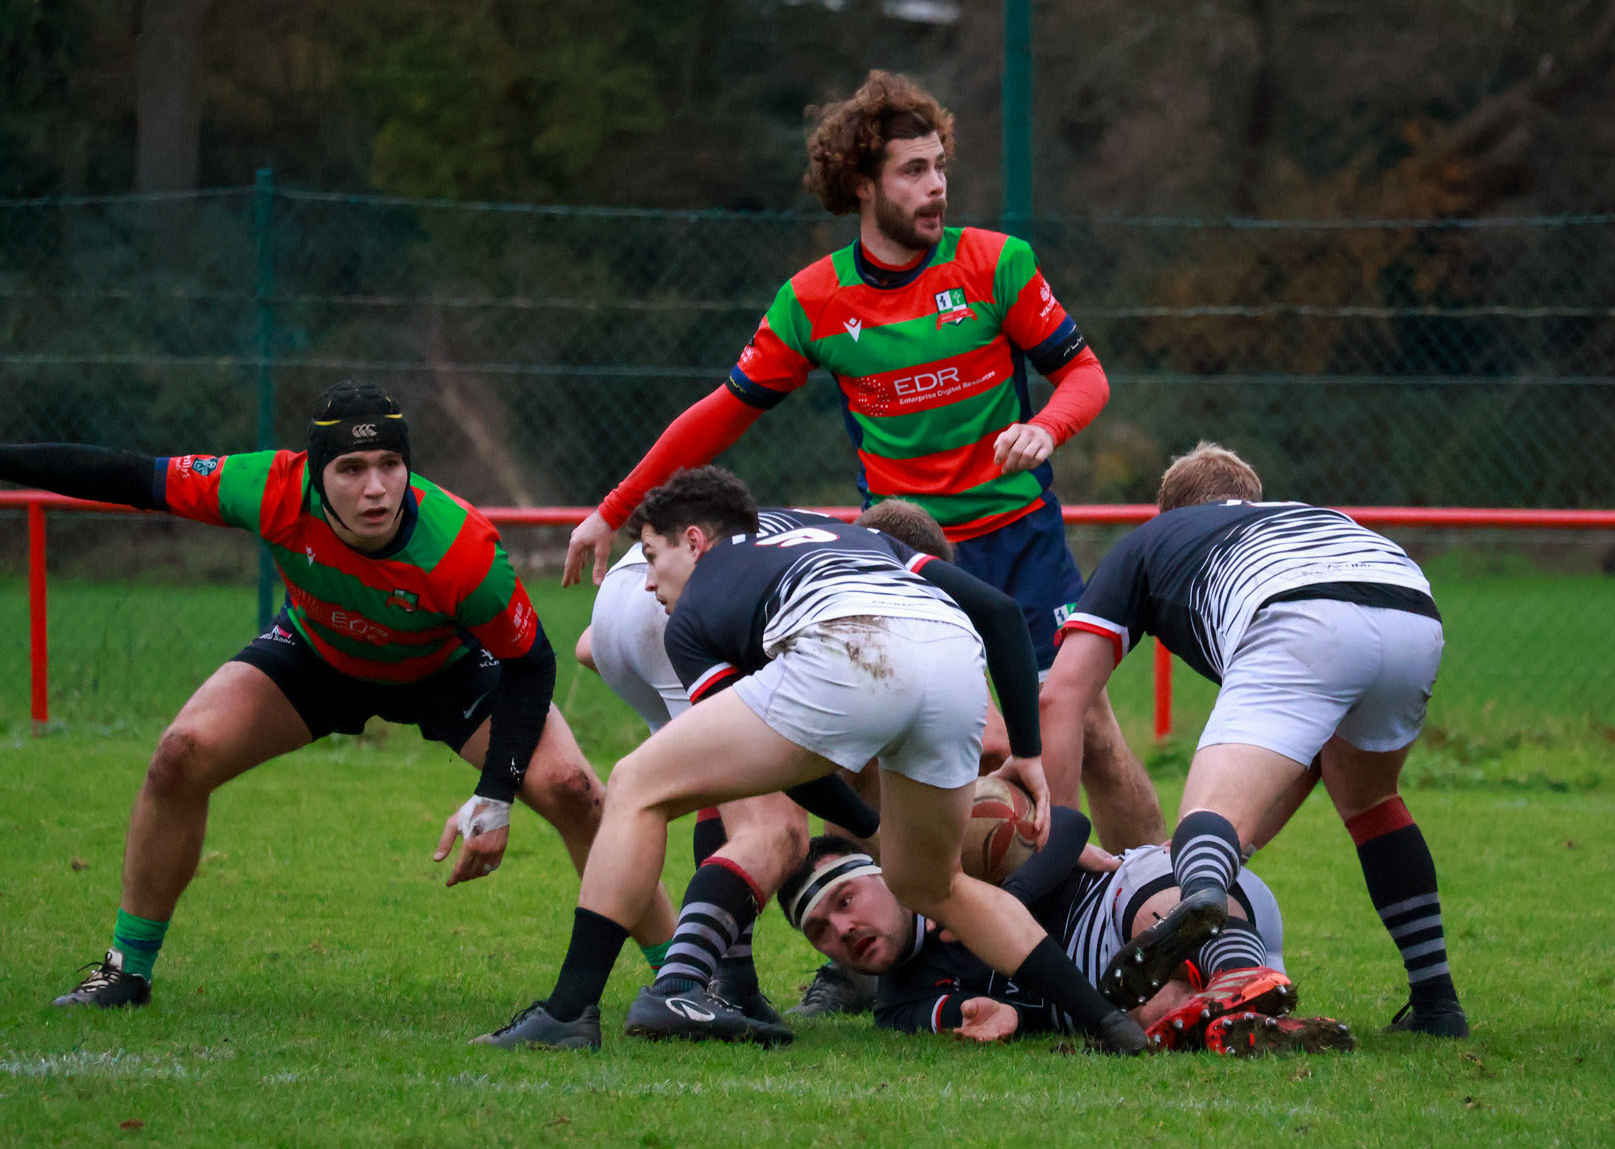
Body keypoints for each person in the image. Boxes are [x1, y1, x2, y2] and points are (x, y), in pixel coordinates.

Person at [560, 69, 1160, 852]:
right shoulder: (814, 300)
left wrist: (1048, 427)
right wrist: (613, 510)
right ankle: (882, 918)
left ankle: (1151, 890)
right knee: (870, 746)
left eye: (940, 165)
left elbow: (1085, 374)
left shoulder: (996, 263)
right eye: (913, 170)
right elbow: (718, 415)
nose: (936, 185)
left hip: (1020, 538)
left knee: (1082, 729)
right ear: (863, 186)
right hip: (896, 551)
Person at [0, 382, 675, 1008]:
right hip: (318, 653)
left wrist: (494, 795)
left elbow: (531, 663)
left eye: (389, 464)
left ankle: (681, 979)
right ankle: (127, 970)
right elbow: (132, 477)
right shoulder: (267, 486)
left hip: (448, 670)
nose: (375, 488)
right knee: (181, 753)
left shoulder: (462, 548)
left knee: (574, 791)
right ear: (314, 473)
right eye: (351, 469)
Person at [476, 466, 1150, 1054]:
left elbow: (772, 767)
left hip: (847, 645)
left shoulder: (695, 610)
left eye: (652, 557)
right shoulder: (851, 536)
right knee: (931, 884)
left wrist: (860, 819)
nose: (649, 582)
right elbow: (999, 614)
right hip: (951, 656)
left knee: (635, 784)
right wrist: (1027, 753)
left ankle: (570, 1011)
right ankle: (1110, 1021)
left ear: (695, 541)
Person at [1024, 443, 1471, 1038]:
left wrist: (1062, 839)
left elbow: (1060, 695)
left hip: (1300, 612)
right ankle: (1437, 1004)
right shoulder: (1302, 515)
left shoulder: (1154, 538)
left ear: (1168, 512)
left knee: (1203, 813)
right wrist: (1229, 844)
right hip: (1410, 605)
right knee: (1371, 804)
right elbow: (1310, 752)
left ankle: (1200, 902)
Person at [574, 505, 877, 1032]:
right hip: (675, 609)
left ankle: (728, 983)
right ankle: (680, 987)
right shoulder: (868, 570)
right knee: (777, 830)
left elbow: (588, 648)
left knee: (720, 789)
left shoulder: (813, 531)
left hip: (616, 612)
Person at [778, 814, 1354, 1056]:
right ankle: (1250, 1010)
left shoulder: (961, 863)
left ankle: (1227, 961)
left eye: (845, 901)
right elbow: (986, 1014)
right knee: (1154, 1010)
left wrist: (1002, 905)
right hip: (1119, 985)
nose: (843, 930)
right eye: (820, 931)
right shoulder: (898, 1007)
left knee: (1160, 904)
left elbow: (1070, 824)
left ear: (884, 874)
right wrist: (1001, 1016)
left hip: (1128, 897)